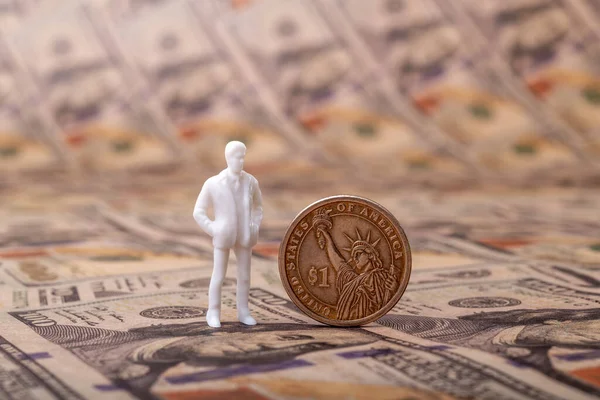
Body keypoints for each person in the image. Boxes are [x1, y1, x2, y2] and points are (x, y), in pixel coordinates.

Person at [193, 141, 263, 327]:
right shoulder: (213, 183)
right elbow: (198, 211)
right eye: (236, 157)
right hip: (223, 235)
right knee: (218, 275)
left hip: (245, 236)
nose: (240, 161)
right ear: (227, 158)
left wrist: (255, 225)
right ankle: (213, 312)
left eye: (242, 157)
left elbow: (258, 207)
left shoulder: (251, 182)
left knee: (245, 276)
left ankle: (243, 311)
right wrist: (213, 228)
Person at [316, 224, 397, 320]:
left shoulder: (379, 276)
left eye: (358, 254)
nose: (355, 259)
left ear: (370, 255)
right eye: (353, 256)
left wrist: (394, 289)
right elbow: (338, 262)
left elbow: (382, 301)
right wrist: (327, 238)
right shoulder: (353, 280)